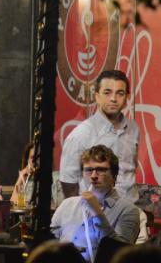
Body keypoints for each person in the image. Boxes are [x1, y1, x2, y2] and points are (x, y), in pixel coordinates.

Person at [59, 69, 140, 202]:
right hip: (96, 213)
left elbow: (130, 169)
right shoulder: (80, 135)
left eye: (120, 93)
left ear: (127, 97)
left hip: (130, 211)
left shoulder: (133, 128)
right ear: (97, 96)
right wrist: (82, 213)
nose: (113, 99)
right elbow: (68, 183)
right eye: (107, 93)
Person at [50, 145, 140, 263]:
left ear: (114, 175)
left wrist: (98, 214)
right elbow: (50, 243)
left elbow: (120, 256)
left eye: (101, 170)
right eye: (88, 170)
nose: (93, 176)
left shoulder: (128, 211)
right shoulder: (67, 205)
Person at [10, 142, 35, 207]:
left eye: (37, 158)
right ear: (27, 160)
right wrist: (20, 179)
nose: (35, 161)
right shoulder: (25, 178)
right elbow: (12, 203)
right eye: (32, 158)